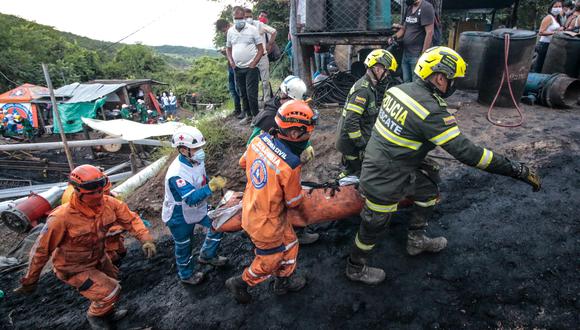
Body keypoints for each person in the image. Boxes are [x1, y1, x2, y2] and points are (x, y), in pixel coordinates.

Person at [345, 47, 542, 285]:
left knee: (428, 188)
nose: (453, 85)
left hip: (387, 163)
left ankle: (416, 240)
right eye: (453, 79)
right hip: (383, 179)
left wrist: (415, 151)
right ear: (440, 77)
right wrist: (515, 169)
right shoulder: (432, 112)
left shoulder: (397, 90)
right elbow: (470, 154)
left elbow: (399, 130)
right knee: (374, 224)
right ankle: (355, 267)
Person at [14, 165, 156, 329]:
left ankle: (108, 313)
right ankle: (96, 318)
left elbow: (130, 220)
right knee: (109, 291)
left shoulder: (109, 204)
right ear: (78, 190)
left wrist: (146, 238)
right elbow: (41, 251)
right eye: (92, 193)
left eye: (100, 191)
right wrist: (30, 281)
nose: (98, 196)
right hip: (73, 267)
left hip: (99, 258)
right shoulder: (60, 218)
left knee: (114, 283)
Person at [226, 100, 317, 304]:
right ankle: (241, 282)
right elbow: (293, 201)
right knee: (270, 259)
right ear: (294, 133)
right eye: (307, 132)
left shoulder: (259, 139)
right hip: (266, 222)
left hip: (255, 208)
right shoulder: (291, 165)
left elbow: (243, 163)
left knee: (291, 243)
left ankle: (283, 281)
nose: (309, 136)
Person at [247, 75, 319, 245]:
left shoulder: (287, 110)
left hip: (286, 162)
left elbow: (298, 127)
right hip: (274, 169)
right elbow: (252, 145)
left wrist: (306, 144)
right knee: (283, 201)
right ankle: (288, 234)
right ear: (287, 97)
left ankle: (293, 230)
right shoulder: (268, 118)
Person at [162, 126, 229, 285]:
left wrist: (208, 183)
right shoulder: (176, 173)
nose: (200, 151)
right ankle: (186, 275)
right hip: (179, 215)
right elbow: (191, 198)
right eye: (196, 148)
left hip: (199, 206)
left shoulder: (196, 160)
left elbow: (200, 178)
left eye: (200, 147)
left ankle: (207, 255)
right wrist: (211, 187)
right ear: (184, 150)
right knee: (185, 245)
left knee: (218, 223)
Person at [336, 49, 398, 179]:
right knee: (369, 175)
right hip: (351, 145)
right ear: (378, 69)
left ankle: (351, 169)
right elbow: (351, 122)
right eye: (387, 72)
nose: (387, 76)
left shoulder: (370, 87)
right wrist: (362, 146)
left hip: (356, 142)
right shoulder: (363, 91)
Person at [226, 6, 264, 124]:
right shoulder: (230, 31)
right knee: (242, 93)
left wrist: (254, 63)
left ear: (244, 17)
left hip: (251, 67)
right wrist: (231, 62)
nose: (239, 20)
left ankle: (256, 117)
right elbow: (228, 48)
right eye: (236, 18)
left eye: (241, 18)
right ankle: (248, 116)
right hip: (237, 67)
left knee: (251, 93)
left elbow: (260, 49)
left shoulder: (252, 29)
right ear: (233, 18)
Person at [394, 0, 435, 83]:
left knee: (416, 83)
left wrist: (423, 55)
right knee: (406, 81)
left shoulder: (426, 7)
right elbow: (404, 28)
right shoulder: (409, 7)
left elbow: (430, 32)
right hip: (406, 53)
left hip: (417, 54)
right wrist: (394, 37)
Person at [245, 8, 277, 104]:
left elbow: (274, 32)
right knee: (252, 82)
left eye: (249, 16)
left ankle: (267, 101)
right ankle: (253, 103)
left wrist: (270, 44)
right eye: (246, 17)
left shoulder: (259, 25)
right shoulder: (241, 29)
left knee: (265, 81)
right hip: (250, 58)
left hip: (262, 56)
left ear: (253, 16)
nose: (248, 19)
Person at [216, 19, 243, 117]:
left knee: (239, 88)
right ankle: (237, 109)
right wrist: (225, 53)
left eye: (224, 30)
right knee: (232, 88)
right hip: (230, 65)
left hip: (237, 65)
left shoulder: (238, 33)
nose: (224, 33)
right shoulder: (228, 35)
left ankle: (245, 110)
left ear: (228, 25)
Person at [533, 1, 564, 73]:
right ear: (551, 8)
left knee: (545, 65)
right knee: (539, 65)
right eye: (556, 6)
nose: (558, 8)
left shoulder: (557, 18)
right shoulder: (548, 18)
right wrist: (555, 32)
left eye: (560, 7)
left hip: (551, 44)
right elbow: (541, 32)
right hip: (544, 44)